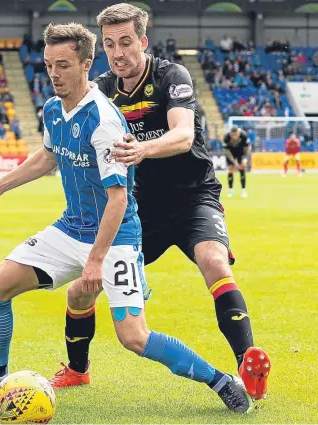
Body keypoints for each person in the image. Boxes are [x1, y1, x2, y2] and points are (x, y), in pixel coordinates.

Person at [0, 22, 252, 414]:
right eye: (49, 64)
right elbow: (48, 155)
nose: (54, 74)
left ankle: (220, 379)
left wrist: (95, 260)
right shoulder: (54, 108)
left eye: (64, 65)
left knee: (134, 337)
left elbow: (119, 200)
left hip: (116, 235)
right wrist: (1, 185)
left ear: (86, 64)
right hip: (70, 227)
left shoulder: (104, 121)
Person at [51, 3, 271, 402]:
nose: (117, 52)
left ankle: (247, 362)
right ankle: (77, 370)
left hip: (193, 199)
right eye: (109, 44)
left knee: (214, 262)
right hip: (137, 210)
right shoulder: (100, 89)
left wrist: (143, 149)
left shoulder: (172, 76)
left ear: (143, 41)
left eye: (126, 42)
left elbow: (184, 136)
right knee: (82, 290)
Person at [222, 127, 250, 198]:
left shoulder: (243, 136)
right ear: (230, 133)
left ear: (238, 133)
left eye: (236, 134)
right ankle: (231, 190)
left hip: (241, 153)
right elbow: (227, 152)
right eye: (232, 134)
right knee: (230, 169)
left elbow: (248, 147)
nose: (234, 136)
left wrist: (245, 158)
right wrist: (235, 163)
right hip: (231, 153)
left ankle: (243, 190)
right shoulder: (226, 137)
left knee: (242, 169)